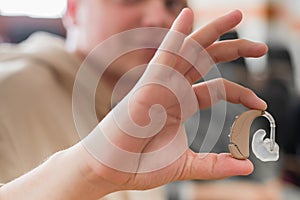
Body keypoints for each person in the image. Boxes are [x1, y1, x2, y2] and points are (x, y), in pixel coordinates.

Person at [0, 0, 269, 199]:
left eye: (173, 4)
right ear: (73, 9)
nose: (158, 17)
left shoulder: (157, 112)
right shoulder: (9, 91)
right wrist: (87, 172)